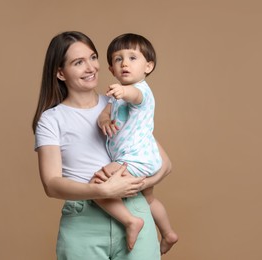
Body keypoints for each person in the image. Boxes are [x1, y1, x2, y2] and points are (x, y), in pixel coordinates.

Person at [32, 31, 172, 260]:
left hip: (133, 207)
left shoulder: (118, 102)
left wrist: (139, 184)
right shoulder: (52, 119)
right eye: (79, 62)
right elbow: (51, 184)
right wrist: (101, 190)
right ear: (60, 72)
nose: (91, 68)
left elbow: (164, 163)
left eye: (93, 57)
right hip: (84, 221)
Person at [94, 33, 178, 254]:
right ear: (111, 68)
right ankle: (168, 233)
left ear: (148, 66)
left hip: (134, 158)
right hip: (144, 156)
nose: (124, 64)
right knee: (149, 199)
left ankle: (132, 221)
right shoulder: (114, 97)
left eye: (132, 58)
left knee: (98, 184)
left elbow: (134, 96)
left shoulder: (141, 91)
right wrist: (104, 119)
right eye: (118, 59)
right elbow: (105, 112)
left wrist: (123, 92)